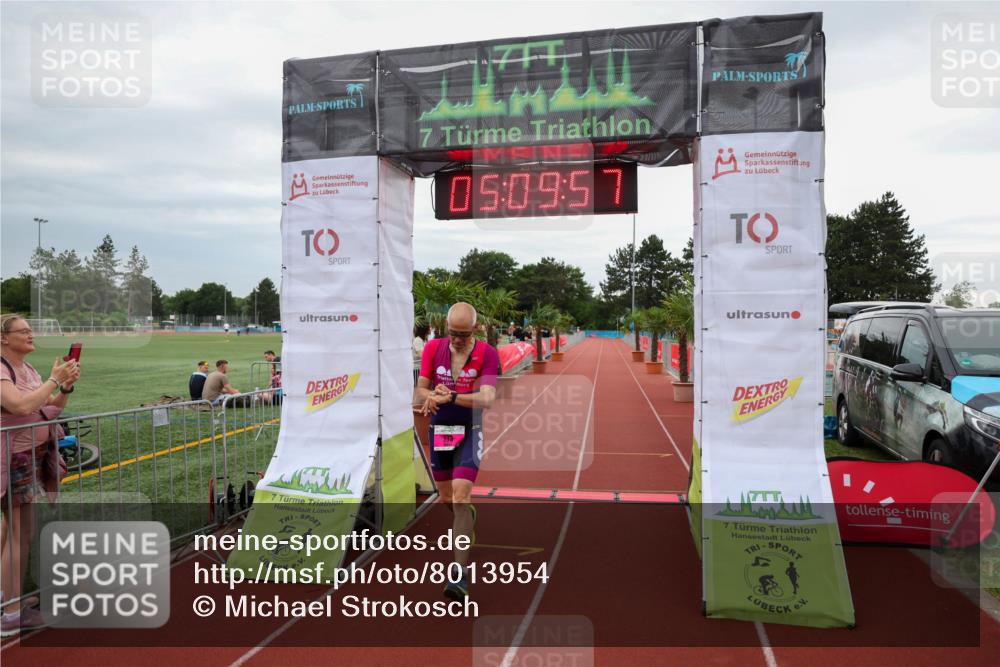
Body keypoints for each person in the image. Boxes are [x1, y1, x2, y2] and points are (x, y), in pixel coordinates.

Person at [0, 314, 80, 636]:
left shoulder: (27, 369)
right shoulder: (2, 370)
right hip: (13, 459)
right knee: (20, 535)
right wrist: (53, 380)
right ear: (4, 338)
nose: (31, 334)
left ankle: (7, 598)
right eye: (24, 331)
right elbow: (19, 406)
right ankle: (10, 615)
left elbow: (49, 407)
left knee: (11, 532)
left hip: (29, 457)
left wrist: (65, 386)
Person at [414, 302, 498, 602]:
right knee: (447, 498)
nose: (457, 339)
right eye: (453, 333)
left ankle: (459, 575)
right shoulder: (433, 348)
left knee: (462, 494)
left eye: (463, 334)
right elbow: (420, 390)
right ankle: (466, 515)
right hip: (441, 433)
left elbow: (487, 398)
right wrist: (431, 396)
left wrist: (452, 397)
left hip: (469, 431)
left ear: (474, 329)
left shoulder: (487, 353)